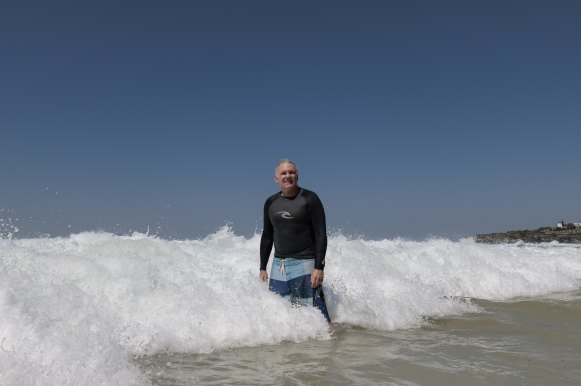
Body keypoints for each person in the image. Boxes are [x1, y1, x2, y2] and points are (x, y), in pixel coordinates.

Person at [259, 159, 331, 322]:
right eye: (283, 173)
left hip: (305, 263)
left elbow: (321, 234)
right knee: (278, 312)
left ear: (297, 176)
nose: (288, 176)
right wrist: (263, 267)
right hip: (279, 265)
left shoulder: (309, 198)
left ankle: (333, 344)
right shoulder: (271, 202)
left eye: (291, 172)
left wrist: (319, 267)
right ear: (276, 178)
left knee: (317, 315)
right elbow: (267, 235)